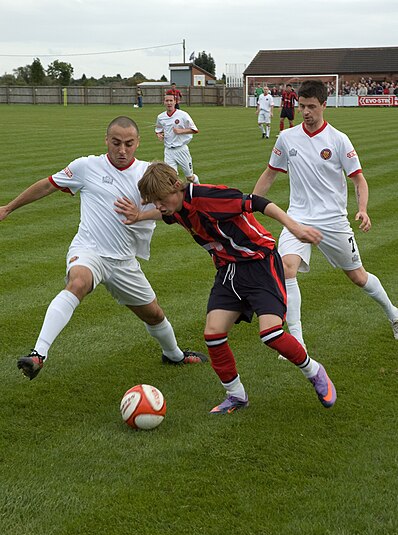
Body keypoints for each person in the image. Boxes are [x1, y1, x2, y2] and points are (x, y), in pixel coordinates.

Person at [115, 161, 337, 414]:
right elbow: (165, 213)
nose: (158, 206)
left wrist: (295, 227)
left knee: (271, 334)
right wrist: (140, 216)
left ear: (177, 186)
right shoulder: (174, 206)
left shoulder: (208, 197)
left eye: (159, 199)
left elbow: (257, 202)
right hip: (229, 271)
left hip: (260, 264)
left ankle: (314, 371)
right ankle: (236, 395)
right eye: (153, 201)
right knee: (213, 334)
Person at [0, 116, 207, 380]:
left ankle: (174, 355)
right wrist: (8, 208)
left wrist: (139, 215)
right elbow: (47, 185)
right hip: (90, 251)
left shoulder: (148, 173)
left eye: (129, 144)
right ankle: (38, 354)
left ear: (138, 143)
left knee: (154, 315)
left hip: (124, 261)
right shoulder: (86, 167)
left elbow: (172, 207)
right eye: (116, 143)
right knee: (78, 282)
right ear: (106, 140)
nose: (122, 150)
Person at [253, 79, 398, 350]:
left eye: (311, 106)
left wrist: (363, 209)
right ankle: (297, 341)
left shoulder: (338, 140)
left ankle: (394, 314)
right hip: (297, 217)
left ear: (323, 105)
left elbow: (358, 180)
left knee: (358, 277)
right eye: (301, 106)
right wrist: (250, 204)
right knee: (287, 269)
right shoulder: (286, 138)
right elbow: (270, 174)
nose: (305, 112)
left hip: (333, 220)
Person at [155, 93, 200, 184]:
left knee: (190, 177)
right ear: (164, 102)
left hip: (181, 150)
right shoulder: (161, 117)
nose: (169, 103)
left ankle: (199, 187)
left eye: (171, 100)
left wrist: (181, 131)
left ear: (175, 102)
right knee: (171, 178)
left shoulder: (183, 115)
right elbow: (158, 130)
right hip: (168, 151)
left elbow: (195, 130)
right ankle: (177, 197)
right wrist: (159, 135)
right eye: (167, 101)